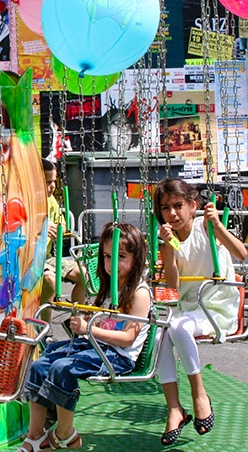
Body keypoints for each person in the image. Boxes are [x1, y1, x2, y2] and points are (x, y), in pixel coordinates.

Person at [18, 222, 152, 452]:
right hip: (97, 346)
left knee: (62, 367)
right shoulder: (109, 286)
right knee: (41, 363)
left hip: (118, 355)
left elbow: (128, 337)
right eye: (108, 257)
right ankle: (35, 434)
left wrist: (89, 329)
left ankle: (65, 433)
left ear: (136, 259)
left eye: (120, 256)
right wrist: (86, 318)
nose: (112, 264)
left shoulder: (139, 293)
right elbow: (100, 319)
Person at [154, 177, 248, 446]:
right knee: (159, 336)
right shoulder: (169, 239)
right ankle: (174, 408)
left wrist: (218, 225)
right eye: (165, 208)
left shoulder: (206, 227)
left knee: (177, 327)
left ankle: (199, 395)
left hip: (217, 309)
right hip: (190, 309)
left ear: (193, 205)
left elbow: (241, 253)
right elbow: (172, 283)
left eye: (178, 205)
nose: (172, 214)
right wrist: (167, 247)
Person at [39, 158, 87, 315]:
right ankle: (45, 331)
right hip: (29, 259)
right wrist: (42, 228)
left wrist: (58, 228)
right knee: (49, 281)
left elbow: (63, 225)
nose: (53, 186)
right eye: (47, 182)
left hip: (47, 258)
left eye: (54, 181)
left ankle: (75, 321)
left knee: (85, 276)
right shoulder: (26, 201)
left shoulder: (50, 200)